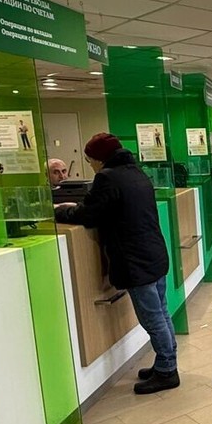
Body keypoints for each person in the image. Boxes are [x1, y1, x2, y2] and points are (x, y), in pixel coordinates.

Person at [55, 133, 178, 394]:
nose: (90, 165)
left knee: (153, 319)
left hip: (136, 260)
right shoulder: (136, 173)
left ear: (99, 159)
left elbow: (89, 214)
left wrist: (62, 211)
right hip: (153, 254)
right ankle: (165, 363)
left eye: (89, 160)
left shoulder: (108, 177)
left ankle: (168, 371)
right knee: (161, 312)